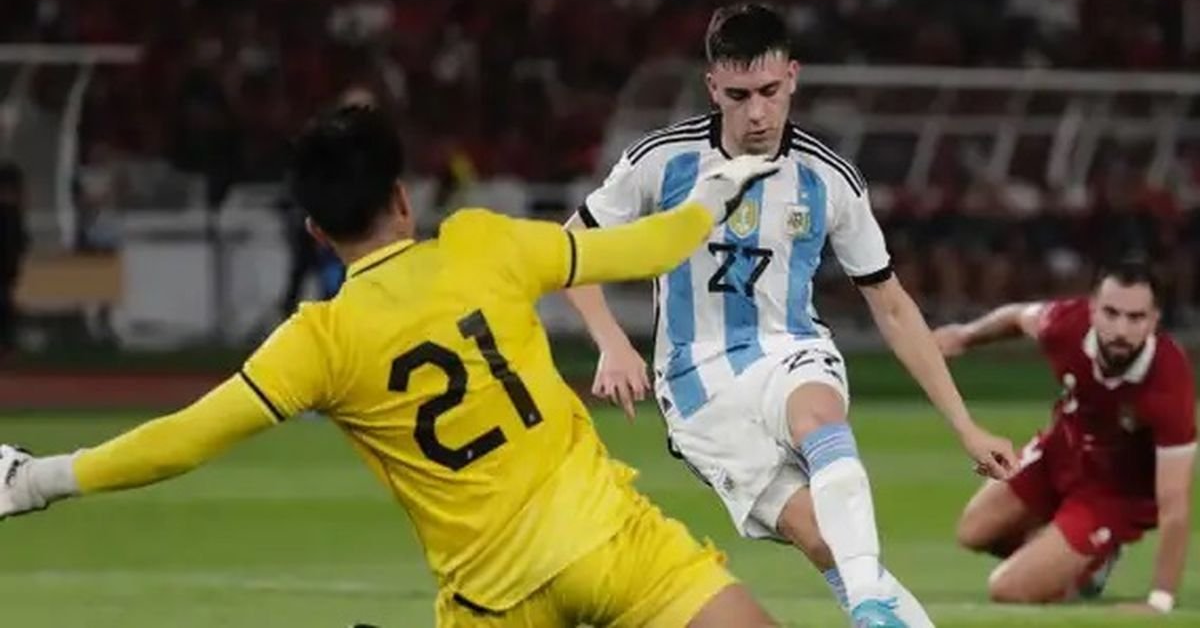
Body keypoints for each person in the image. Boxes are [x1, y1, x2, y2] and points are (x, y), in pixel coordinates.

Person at [0, 105, 782, 628]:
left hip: (491, 599)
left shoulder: (320, 340)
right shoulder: (485, 243)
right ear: (403, 199)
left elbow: (183, 439)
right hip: (606, 540)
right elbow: (649, 247)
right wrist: (715, 191)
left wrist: (38, 479)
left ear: (316, 231)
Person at [564, 1, 1017, 628]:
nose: (757, 112)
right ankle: (870, 598)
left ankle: (868, 604)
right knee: (825, 540)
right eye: (739, 95)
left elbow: (890, 303)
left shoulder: (828, 179)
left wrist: (965, 426)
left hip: (789, 348)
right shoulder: (661, 161)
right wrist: (611, 342)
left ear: (793, 77)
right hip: (696, 385)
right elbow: (571, 247)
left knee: (818, 415)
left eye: (770, 91)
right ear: (712, 87)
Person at [935, 260, 1195, 615]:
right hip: (1059, 452)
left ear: (1154, 320)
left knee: (1007, 589)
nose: (1121, 329)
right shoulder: (1066, 324)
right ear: (1093, 309)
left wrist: (1159, 601)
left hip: (1111, 495)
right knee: (973, 531)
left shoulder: (1169, 381)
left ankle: (1084, 561)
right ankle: (1076, 558)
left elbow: (1175, 503)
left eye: (1135, 317)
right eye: (1111, 313)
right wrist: (965, 336)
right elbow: (1016, 317)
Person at [0, 160, 28, 353]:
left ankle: (8, 344)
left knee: (6, 304)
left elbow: (20, 242)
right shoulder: (11, 213)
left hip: (7, 270)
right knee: (5, 305)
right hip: (6, 269)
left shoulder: (13, 213)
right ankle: (8, 344)